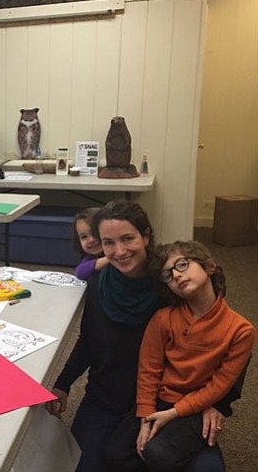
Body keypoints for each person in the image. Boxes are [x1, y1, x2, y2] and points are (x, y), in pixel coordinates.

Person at [105, 241, 255, 471]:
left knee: (158, 453)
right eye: (168, 274)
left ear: (210, 267)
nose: (176, 274)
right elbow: (148, 370)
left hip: (196, 407)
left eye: (182, 264)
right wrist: (146, 418)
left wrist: (173, 415)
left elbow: (220, 386)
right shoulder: (163, 318)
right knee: (116, 453)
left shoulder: (241, 330)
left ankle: (199, 447)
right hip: (162, 399)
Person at [45, 200, 165, 471]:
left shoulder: (167, 285)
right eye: (109, 242)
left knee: (139, 461)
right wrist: (63, 384)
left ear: (145, 236)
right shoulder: (99, 283)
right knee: (82, 465)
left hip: (159, 400)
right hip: (104, 397)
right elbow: (88, 340)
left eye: (128, 239)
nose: (119, 251)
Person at [72, 207, 109, 280]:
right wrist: (110, 259)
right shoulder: (91, 258)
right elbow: (80, 272)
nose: (91, 240)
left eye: (95, 233)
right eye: (84, 237)